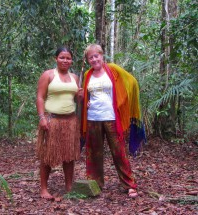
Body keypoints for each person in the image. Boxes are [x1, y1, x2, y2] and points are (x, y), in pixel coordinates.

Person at [81, 44, 145, 198]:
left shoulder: (113, 70)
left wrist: (122, 103)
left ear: (102, 55)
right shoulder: (87, 75)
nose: (94, 59)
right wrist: (86, 101)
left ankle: (129, 184)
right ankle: (95, 183)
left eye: (96, 55)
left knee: (119, 151)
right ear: (88, 60)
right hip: (93, 118)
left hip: (111, 117)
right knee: (94, 153)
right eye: (91, 57)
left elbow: (131, 81)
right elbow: (86, 95)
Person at [36, 47, 83, 199]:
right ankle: (44, 188)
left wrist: (80, 97)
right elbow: (40, 97)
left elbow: (76, 100)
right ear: (55, 58)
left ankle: (69, 186)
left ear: (71, 60)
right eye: (62, 57)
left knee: (69, 155)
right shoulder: (48, 75)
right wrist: (42, 117)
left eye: (68, 58)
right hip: (52, 120)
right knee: (48, 155)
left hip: (70, 121)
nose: (65, 60)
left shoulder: (75, 78)